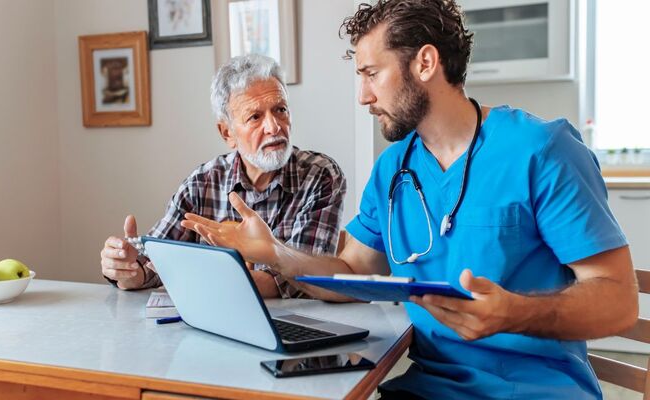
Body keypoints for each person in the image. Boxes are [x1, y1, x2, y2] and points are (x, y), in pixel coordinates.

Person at [180, 1, 638, 398]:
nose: (363, 96)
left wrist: (514, 313)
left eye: (371, 74)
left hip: (535, 390)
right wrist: (276, 255)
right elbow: (352, 273)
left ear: (425, 63)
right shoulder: (393, 168)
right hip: (425, 388)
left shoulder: (542, 150)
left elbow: (620, 301)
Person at [100, 54, 346, 299]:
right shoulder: (201, 183)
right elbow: (153, 261)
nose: (274, 127)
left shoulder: (319, 175)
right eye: (255, 117)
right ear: (227, 133)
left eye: (280, 110)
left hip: (297, 319)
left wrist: (195, 277)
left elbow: (305, 279)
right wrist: (129, 270)